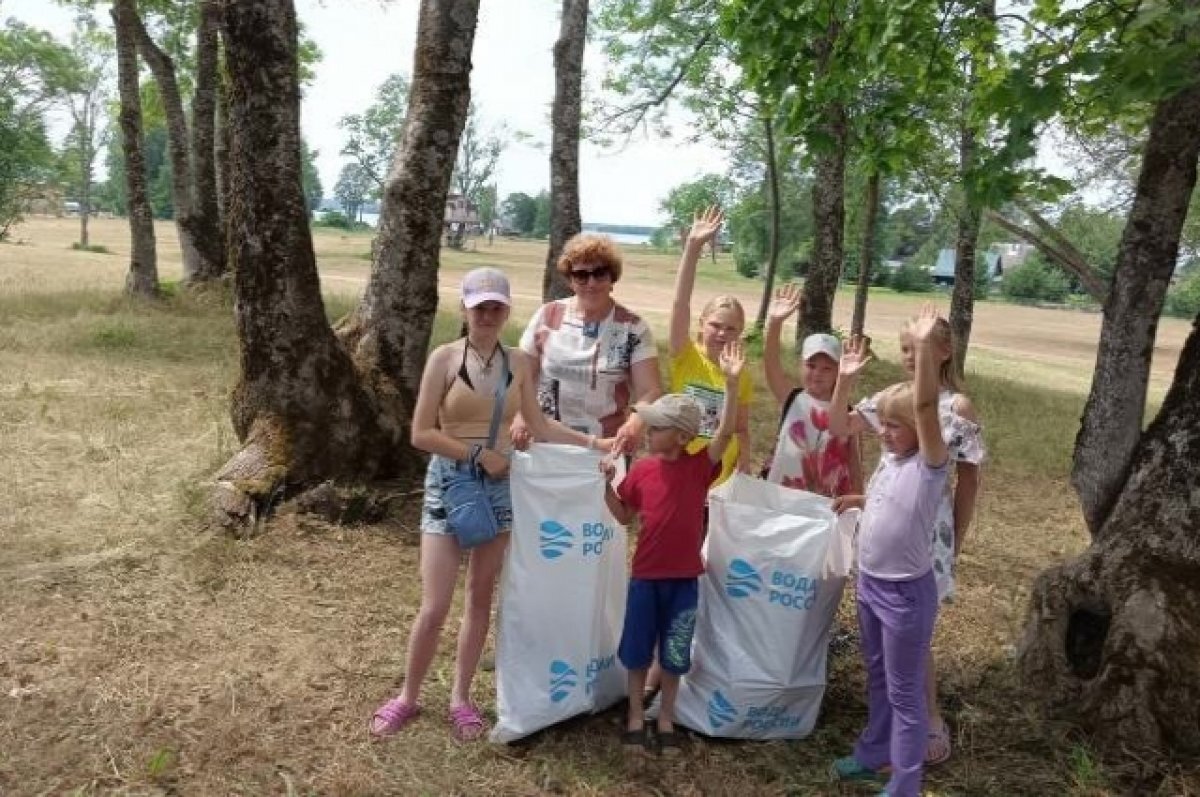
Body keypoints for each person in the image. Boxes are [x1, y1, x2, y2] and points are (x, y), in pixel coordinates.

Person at [370, 267, 611, 742]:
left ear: (506, 311)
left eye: (496, 306)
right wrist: (479, 453)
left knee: (481, 598)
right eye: (479, 305)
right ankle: (408, 697)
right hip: (451, 486)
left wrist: (592, 444)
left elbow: (539, 427)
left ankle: (460, 698)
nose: (487, 314)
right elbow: (420, 433)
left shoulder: (521, 363)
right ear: (464, 308)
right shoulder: (443, 358)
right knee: (435, 604)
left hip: (500, 490)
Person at [828, 312, 984, 765]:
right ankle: (889, 732)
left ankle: (928, 719)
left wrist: (955, 540)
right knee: (890, 638)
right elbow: (841, 427)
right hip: (887, 531)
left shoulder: (956, 408)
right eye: (906, 349)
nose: (911, 358)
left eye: (920, 348)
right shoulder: (892, 399)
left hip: (928, 535)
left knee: (913, 637)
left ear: (946, 352)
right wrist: (844, 380)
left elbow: (969, 480)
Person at [601, 341, 745, 760]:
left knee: (675, 653)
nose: (648, 431)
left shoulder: (700, 467)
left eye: (656, 426)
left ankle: (665, 717)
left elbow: (724, 433)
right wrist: (605, 485)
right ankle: (633, 716)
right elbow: (624, 515)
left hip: (683, 582)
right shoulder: (642, 470)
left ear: (681, 436)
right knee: (636, 650)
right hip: (645, 579)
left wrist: (733, 386)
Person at [513, 233, 662, 453]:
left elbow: (650, 390)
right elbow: (520, 376)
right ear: (570, 280)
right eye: (581, 275)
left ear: (612, 278)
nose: (591, 283)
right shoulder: (547, 315)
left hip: (606, 447)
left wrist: (635, 423)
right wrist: (519, 415)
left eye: (600, 274)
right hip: (544, 441)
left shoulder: (633, 328)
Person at [666, 206, 753, 485]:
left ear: (740, 333)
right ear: (702, 323)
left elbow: (741, 427)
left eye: (731, 329)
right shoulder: (686, 355)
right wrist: (692, 249)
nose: (722, 334)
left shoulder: (741, 373)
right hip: (680, 469)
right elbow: (680, 304)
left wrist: (746, 461)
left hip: (718, 479)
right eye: (716, 325)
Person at [760, 282, 863, 497]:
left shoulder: (847, 411)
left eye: (827, 368)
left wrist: (858, 498)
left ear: (839, 371)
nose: (818, 373)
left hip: (823, 503)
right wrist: (775, 323)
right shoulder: (792, 397)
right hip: (781, 494)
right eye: (811, 365)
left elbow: (855, 461)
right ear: (800, 365)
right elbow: (770, 364)